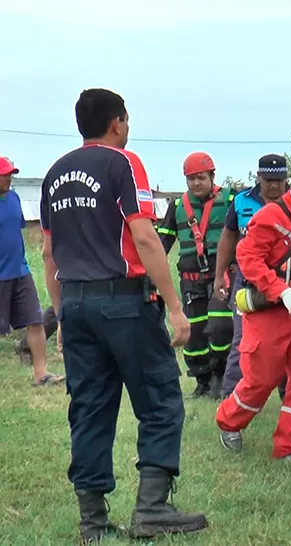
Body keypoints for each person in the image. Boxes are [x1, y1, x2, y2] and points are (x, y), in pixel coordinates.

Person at [40, 88, 206, 543]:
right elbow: (145, 236)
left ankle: (92, 522)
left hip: (75, 302)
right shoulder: (123, 164)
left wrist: (60, 315)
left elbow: (49, 252)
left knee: (89, 407)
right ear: (117, 123)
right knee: (159, 397)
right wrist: (175, 306)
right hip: (124, 302)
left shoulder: (54, 174)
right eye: (127, 121)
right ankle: (151, 508)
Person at [215, 153, 291, 465]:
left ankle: (290, 446)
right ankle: (228, 421)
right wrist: (281, 292)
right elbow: (248, 259)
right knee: (261, 380)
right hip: (269, 312)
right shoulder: (270, 217)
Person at [156, 152, 235, 398]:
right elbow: (162, 242)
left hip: (223, 277)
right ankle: (203, 381)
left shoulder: (232, 199)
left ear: (212, 176)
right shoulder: (177, 207)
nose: (196, 183)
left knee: (221, 327)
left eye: (200, 177)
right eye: (191, 179)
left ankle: (223, 376)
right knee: (194, 336)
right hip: (191, 281)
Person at [213, 154, 289, 399]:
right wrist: (219, 275)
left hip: (286, 283)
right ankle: (230, 396)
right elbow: (228, 237)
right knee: (242, 339)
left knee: (287, 341)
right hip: (248, 283)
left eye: (279, 179)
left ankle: (289, 394)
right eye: (269, 180)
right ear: (258, 177)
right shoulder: (241, 201)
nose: (275, 185)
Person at [0, 156, 64, 386]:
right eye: (5, 174)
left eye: (10, 174)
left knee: (34, 321)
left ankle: (41, 373)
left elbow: (16, 232)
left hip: (19, 271)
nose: (9, 178)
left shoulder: (15, 198)